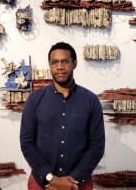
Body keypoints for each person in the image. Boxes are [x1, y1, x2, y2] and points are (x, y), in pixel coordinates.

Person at [20, 42, 105, 190]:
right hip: (42, 183)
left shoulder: (91, 101)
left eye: (65, 61)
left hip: (79, 184)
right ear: (50, 65)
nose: (59, 67)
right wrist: (51, 178)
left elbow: (97, 146)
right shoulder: (34, 100)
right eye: (54, 62)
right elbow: (27, 143)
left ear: (75, 63)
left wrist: (72, 181)